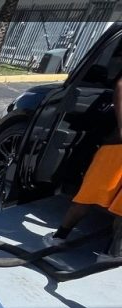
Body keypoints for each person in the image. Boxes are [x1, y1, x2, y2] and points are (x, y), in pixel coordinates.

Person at [43, 76, 122, 261]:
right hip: (117, 147)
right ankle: (111, 254)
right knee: (101, 198)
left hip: (116, 148)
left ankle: (59, 238)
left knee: (88, 195)